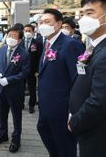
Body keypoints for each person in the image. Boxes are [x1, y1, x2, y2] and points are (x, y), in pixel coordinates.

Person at [37, 8, 84, 157]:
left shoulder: (70, 44)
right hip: (46, 106)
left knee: (65, 147)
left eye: (47, 22)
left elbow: (78, 80)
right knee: (46, 135)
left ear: (58, 24)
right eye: (41, 22)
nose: (43, 25)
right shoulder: (48, 43)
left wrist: (73, 111)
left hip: (62, 109)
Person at [68, 0, 106, 157]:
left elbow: (99, 100)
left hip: (97, 133)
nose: (83, 19)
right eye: (82, 14)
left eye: (90, 13)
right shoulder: (94, 47)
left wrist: (75, 122)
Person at [0, 27, 30, 153]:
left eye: (14, 36)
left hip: (15, 90)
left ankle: (16, 139)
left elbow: (24, 73)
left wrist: (9, 80)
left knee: (16, 116)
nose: (10, 38)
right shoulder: (1, 50)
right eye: (9, 35)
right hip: (1, 89)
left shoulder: (24, 54)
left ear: (19, 40)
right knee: (2, 114)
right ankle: (2, 134)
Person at [22, 24, 41, 113]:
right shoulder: (20, 42)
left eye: (29, 31)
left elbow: (39, 57)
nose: (27, 32)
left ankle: (31, 105)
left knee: (32, 88)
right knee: (21, 87)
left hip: (32, 70)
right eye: (26, 31)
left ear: (33, 32)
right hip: (21, 70)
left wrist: (37, 70)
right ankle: (21, 104)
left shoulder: (37, 42)